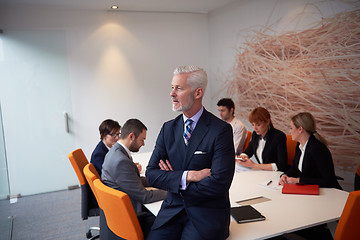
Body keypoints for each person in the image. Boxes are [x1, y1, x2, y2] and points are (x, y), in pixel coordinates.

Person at [145, 66, 235, 240]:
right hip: (172, 210)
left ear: (198, 92)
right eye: (172, 87)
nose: (172, 93)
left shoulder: (221, 130)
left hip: (206, 214)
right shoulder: (168, 129)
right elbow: (152, 175)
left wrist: (173, 180)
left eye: (178, 88)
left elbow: (219, 183)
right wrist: (187, 176)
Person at [101, 119, 167, 237]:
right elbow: (144, 197)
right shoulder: (121, 160)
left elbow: (134, 180)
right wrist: (170, 192)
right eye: (142, 139)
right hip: (131, 215)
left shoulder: (116, 151)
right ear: (131, 136)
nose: (143, 144)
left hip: (119, 210)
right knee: (172, 217)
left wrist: (161, 180)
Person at [279, 112, 341, 189]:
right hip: (309, 191)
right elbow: (295, 168)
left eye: (291, 128)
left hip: (327, 193)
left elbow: (328, 181)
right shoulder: (299, 145)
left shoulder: (317, 149)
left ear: (300, 129)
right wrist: (285, 175)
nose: (289, 131)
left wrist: (299, 180)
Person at [237, 107, 287, 171]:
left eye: (258, 125)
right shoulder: (255, 134)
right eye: (253, 125)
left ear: (267, 121)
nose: (255, 128)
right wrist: (243, 156)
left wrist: (254, 165)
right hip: (263, 172)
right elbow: (249, 150)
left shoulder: (278, 136)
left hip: (277, 173)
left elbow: (281, 165)